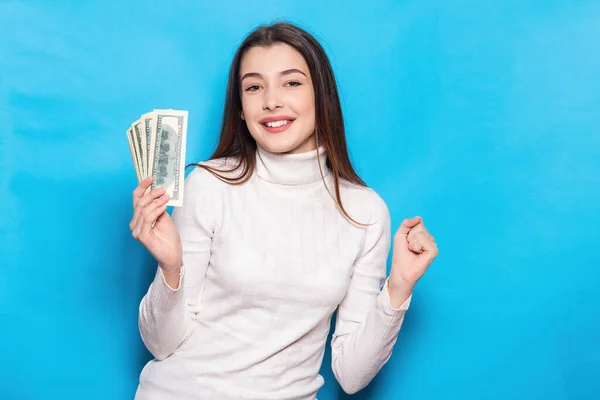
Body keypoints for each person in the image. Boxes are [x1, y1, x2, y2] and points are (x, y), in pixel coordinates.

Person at [130, 21, 438, 400]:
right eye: (254, 86)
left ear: (321, 95)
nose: (271, 100)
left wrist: (398, 288)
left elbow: (352, 375)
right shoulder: (209, 184)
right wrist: (171, 268)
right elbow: (161, 345)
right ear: (241, 109)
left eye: (291, 82)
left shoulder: (365, 212)